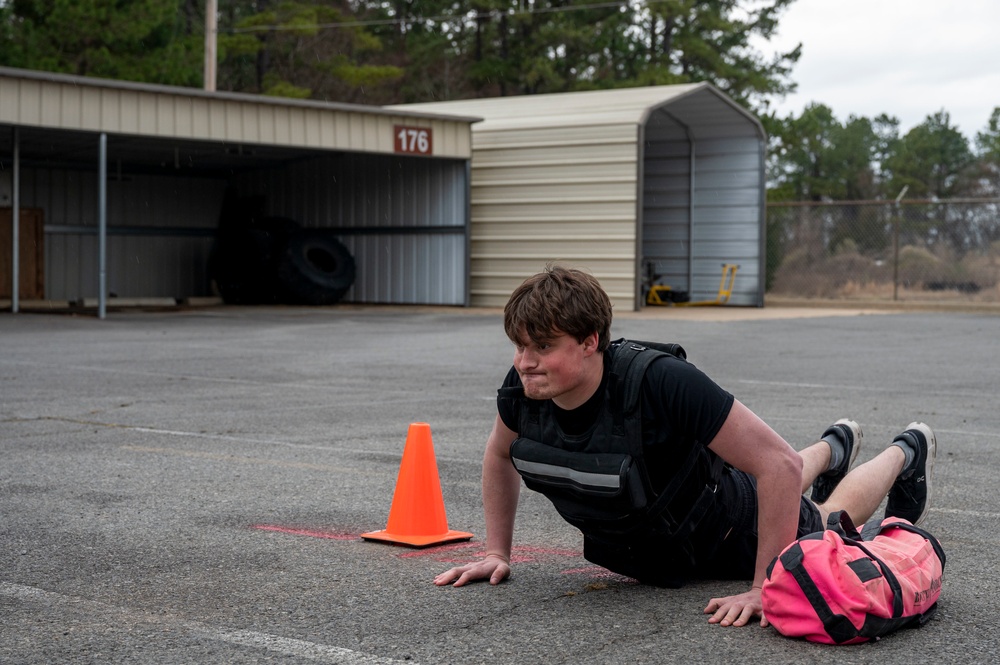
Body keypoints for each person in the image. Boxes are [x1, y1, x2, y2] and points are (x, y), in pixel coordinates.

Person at [434, 265, 936, 628]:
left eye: (542, 346)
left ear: (590, 341)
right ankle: (832, 447)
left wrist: (767, 587)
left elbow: (777, 465)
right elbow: (500, 454)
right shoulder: (526, 390)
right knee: (775, 469)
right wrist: (497, 551)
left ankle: (905, 452)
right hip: (666, 537)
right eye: (518, 345)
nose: (524, 362)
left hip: (730, 526)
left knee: (826, 517)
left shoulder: (661, 382)